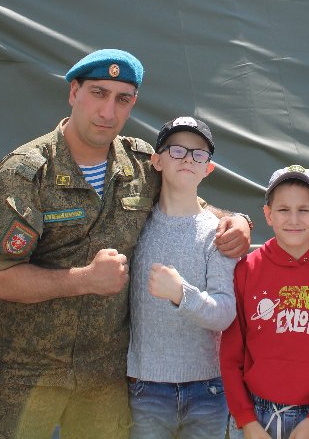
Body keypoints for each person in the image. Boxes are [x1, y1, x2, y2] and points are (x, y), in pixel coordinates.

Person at [0, 49, 251, 439]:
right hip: (26, 375)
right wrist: (83, 279)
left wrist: (236, 221)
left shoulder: (138, 166)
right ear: (74, 93)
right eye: (98, 93)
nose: (107, 110)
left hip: (104, 380)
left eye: (122, 99)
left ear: (132, 103)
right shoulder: (27, 171)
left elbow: (188, 200)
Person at [222, 165, 309, 439]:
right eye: (284, 210)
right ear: (268, 215)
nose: (293, 219)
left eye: (304, 210)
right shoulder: (247, 269)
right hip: (255, 418)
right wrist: (246, 420)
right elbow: (229, 357)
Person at [127, 116, 237, 439]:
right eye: (176, 150)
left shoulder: (218, 234)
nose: (188, 158)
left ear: (208, 169)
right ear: (156, 161)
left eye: (198, 154)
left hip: (207, 392)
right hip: (146, 390)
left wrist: (181, 293)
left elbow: (224, 312)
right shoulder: (135, 227)